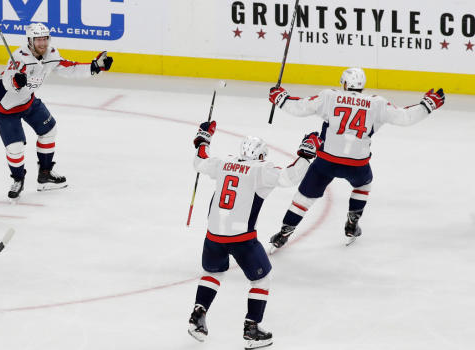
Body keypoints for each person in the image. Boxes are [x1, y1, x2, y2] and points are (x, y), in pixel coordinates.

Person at [267, 67, 445, 248]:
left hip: (326, 161)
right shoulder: (377, 103)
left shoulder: (330, 96)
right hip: (357, 164)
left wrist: (280, 98)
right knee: (363, 184)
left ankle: (284, 233)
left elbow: (301, 107)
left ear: (344, 83)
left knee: (304, 197)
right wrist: (427, 106)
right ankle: (352, 222)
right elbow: (405, 117)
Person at [187, 120, 320, 349]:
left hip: (214, 235)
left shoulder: (223, 163)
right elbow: (289, 177)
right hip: (241, 238)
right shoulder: (261, 169)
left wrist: (203, 139)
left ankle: (198, 315)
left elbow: (199, 161)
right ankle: (252, 329)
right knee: (261, 278)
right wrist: (307, 153)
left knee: (213, 273)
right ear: (260, 156)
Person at [0, 22, 114, 200]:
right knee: (15, 148)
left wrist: (95, 67)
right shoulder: (20, 57)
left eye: (44, 39)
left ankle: (45, 174)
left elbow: (68, 67)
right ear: (30, 41)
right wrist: (15, 81)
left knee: (49, 130)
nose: (42, 43)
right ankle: (18, 179)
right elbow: (7, 79)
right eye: (38, 40)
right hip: (6, 106)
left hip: (27, 100)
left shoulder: (51, 53)